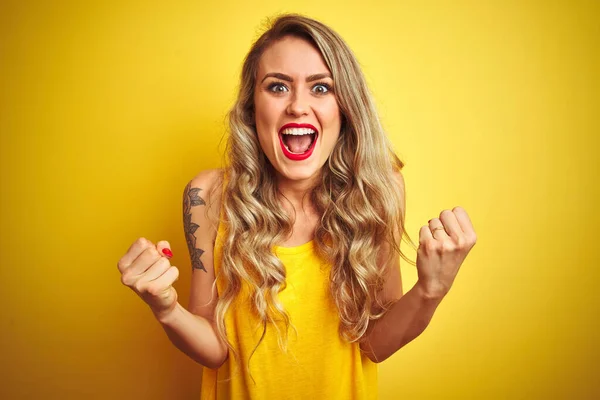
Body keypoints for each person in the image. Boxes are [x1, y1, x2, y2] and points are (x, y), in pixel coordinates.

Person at [117, 13, 477, 400]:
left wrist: (430, 290)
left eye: (321, 88)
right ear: (252, 108)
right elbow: (216, 348)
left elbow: (374, 345)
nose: (298, 107)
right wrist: (167, 309)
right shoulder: (207, 196)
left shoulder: (380, 189)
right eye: (277, 87)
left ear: (345, 107)